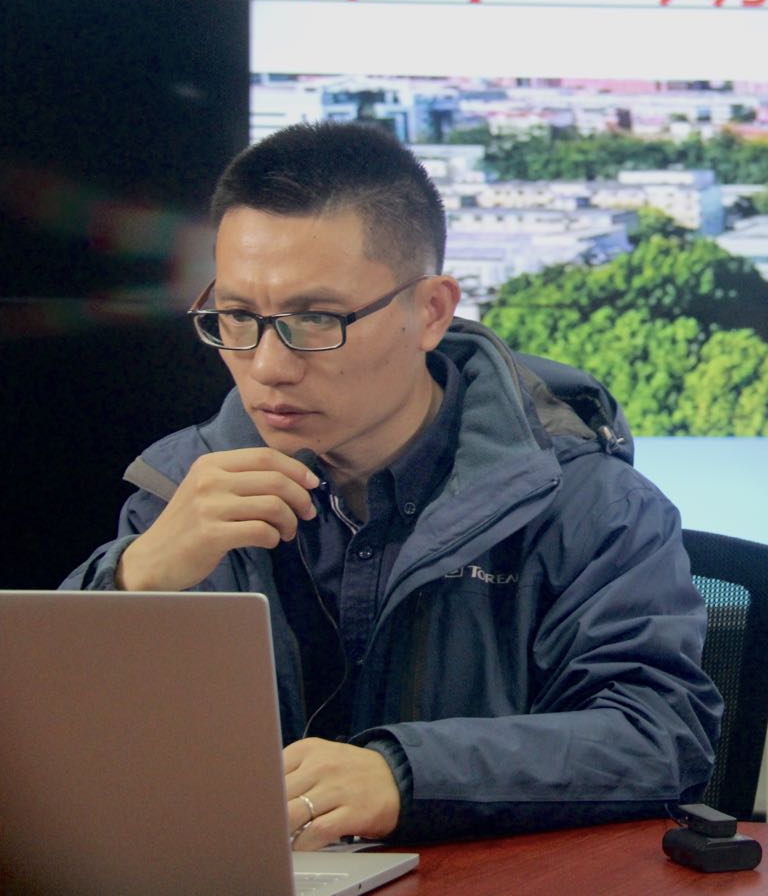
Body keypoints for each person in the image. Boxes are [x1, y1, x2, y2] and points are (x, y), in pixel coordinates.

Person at [64, 121, 721, 848]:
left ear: (431, 311)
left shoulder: (587, 503)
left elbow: (659, 736)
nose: (268, 367)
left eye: (316, 318)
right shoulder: (182, 492)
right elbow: (51, 757)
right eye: (239, 317)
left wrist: (404, 776)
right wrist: (128, 583)